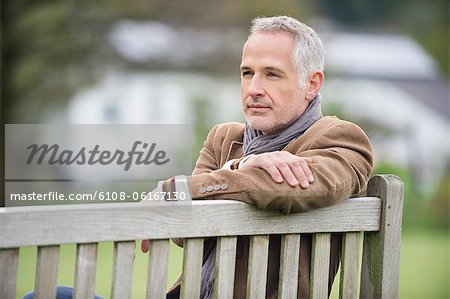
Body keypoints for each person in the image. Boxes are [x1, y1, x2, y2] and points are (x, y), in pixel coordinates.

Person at [142, 15, 373, 299]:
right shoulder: (223, 139)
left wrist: (179, 190)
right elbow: (182, 232)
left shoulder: (341, 138)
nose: (253, 89)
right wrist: (239, 165)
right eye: (247, 73)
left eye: (272, 74)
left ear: (312, 83)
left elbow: (287, 188)